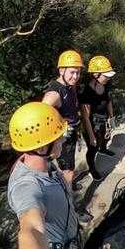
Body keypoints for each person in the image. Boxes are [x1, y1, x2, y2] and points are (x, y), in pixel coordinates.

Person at [7, 101, 104, 249]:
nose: (62, 139)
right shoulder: (27, 186)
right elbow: (31, 228)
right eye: (57, 137)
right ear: (42, 147)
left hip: (68, 238)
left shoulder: (37, 161)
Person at [42, 50, 83, 191]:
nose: (75, 76)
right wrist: (58, 131)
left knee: (69, 167)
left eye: (78, 72)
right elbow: (41, 115)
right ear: (61, 71)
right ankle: (69, 202)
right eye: (72, 72)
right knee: (68, 171)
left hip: (71, 133)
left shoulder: (70, 85)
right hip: (63, 138)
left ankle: (68, 186)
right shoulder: (55, 93)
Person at [80, 55, 116, 181]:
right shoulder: (87, 92)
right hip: (91, 124)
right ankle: (92, 169)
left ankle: (103, 149)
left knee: (106, 136)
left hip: (103, 119)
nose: (108, 78)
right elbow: (85, 117)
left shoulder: (106, 84)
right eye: (106, 76)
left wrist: (111, 119)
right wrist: (91, 136)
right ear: (96, 74)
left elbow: (108, 100)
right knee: (92, 147)